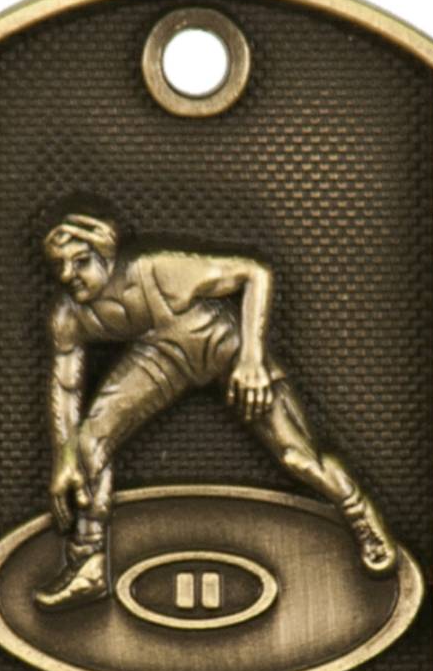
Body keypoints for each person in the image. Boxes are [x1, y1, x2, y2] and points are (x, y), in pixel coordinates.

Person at [36, 213, 397, 609]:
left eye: (80, 261)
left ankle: (360, 515)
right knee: (87, 444)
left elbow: (254, 273)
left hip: (223, 348)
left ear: (106, 256)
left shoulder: (157, 271)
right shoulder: (68, 315)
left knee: (298, 457)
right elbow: (66, 386)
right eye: (59, 266)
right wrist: (64, 458)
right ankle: (88, 564)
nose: (68, 275)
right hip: (161, 356)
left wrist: (252, 358)